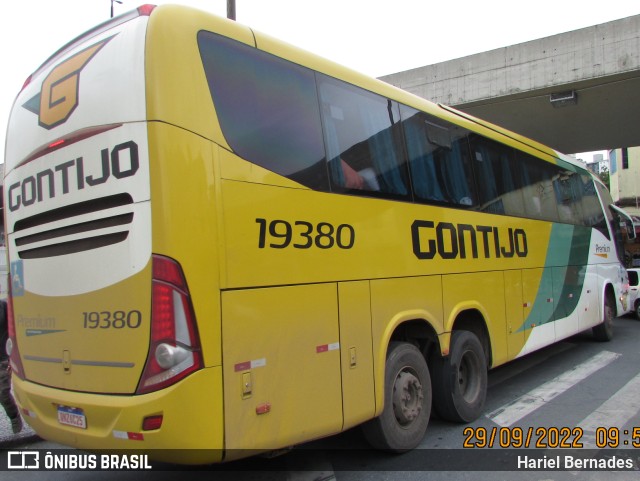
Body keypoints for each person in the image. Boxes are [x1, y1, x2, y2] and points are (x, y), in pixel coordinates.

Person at [0, 301, 22, 434]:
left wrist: (12, 356)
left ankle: (14, 417)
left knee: (3, 393)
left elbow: (15, 330)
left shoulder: (4, 306)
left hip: (2, 358)